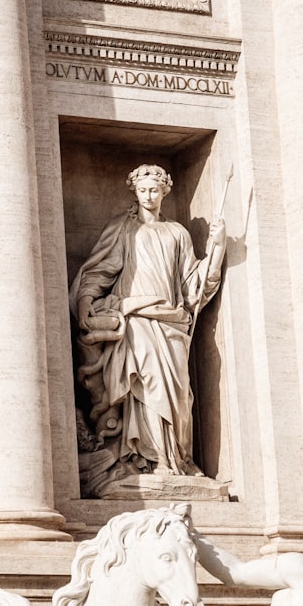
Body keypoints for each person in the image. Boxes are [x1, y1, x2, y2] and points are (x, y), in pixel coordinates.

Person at [70, 164, 225, 476]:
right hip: (137, 319)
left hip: (171, 324)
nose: (149, 195)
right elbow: (99, 272)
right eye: (143, 190)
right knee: (146, 385)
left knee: (178, 395)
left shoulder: (177, 233)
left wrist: (218, 246)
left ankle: (176, 457)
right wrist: (86, 300)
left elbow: (194, 285)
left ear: (164, 191)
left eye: (154, 190)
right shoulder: (123, 229)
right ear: (135, 192)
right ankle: (146, 459)